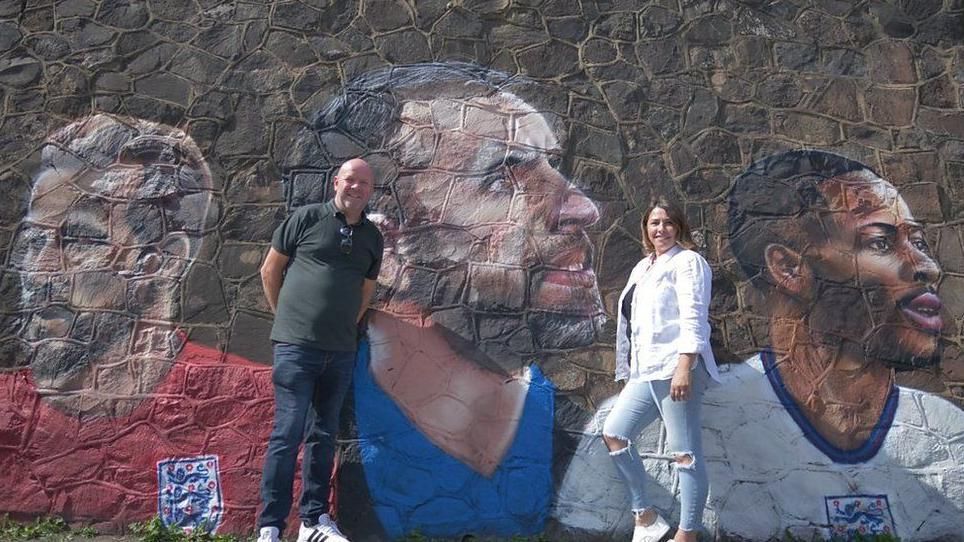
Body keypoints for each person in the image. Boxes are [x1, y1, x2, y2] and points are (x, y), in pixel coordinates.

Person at [281, 62, 606, 539]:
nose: (582, 208)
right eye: (502, 177)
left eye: (551, 166)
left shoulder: (593, 441)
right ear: (385, 250)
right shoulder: (309, 436)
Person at [0, 113, 273, 533]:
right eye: (34, 241)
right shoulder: (6, 409)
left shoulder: (250, 409)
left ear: (163, 261)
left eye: (81, 239)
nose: (40, 270)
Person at [705, 149, 964, 540]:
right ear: (788, 268)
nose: (928, 266)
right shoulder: (700, 427)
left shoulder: (948, 434)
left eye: (920, 241)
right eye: (881, 242)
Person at [256, 158, 384, 542]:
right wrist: (289, 319)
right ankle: (270, 527)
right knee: (288, 433)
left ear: (370, 190)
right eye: (350, 180)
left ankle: (313, 521)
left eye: (363, 183)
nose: (356, 188)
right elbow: (269, 270)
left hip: (341, 351)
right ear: (335, 183)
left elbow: (366, 290)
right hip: (296, 348)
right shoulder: (307, 219)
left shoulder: (372, 238)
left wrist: (344, 325)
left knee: (323, 436)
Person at [602, 198, 720, 542]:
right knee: (615, 433)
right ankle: (647, 516)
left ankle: (688, 534)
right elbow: (632, 323)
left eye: (668, 223)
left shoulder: (688, 262)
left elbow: (694, 316)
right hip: (646, 371)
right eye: (655, 223)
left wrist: (685, 365)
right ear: (646, 229)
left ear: (679, 227)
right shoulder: (643, 267)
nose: (661, 229)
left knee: (685, 454)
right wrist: (629, 371)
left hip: (676, 368)